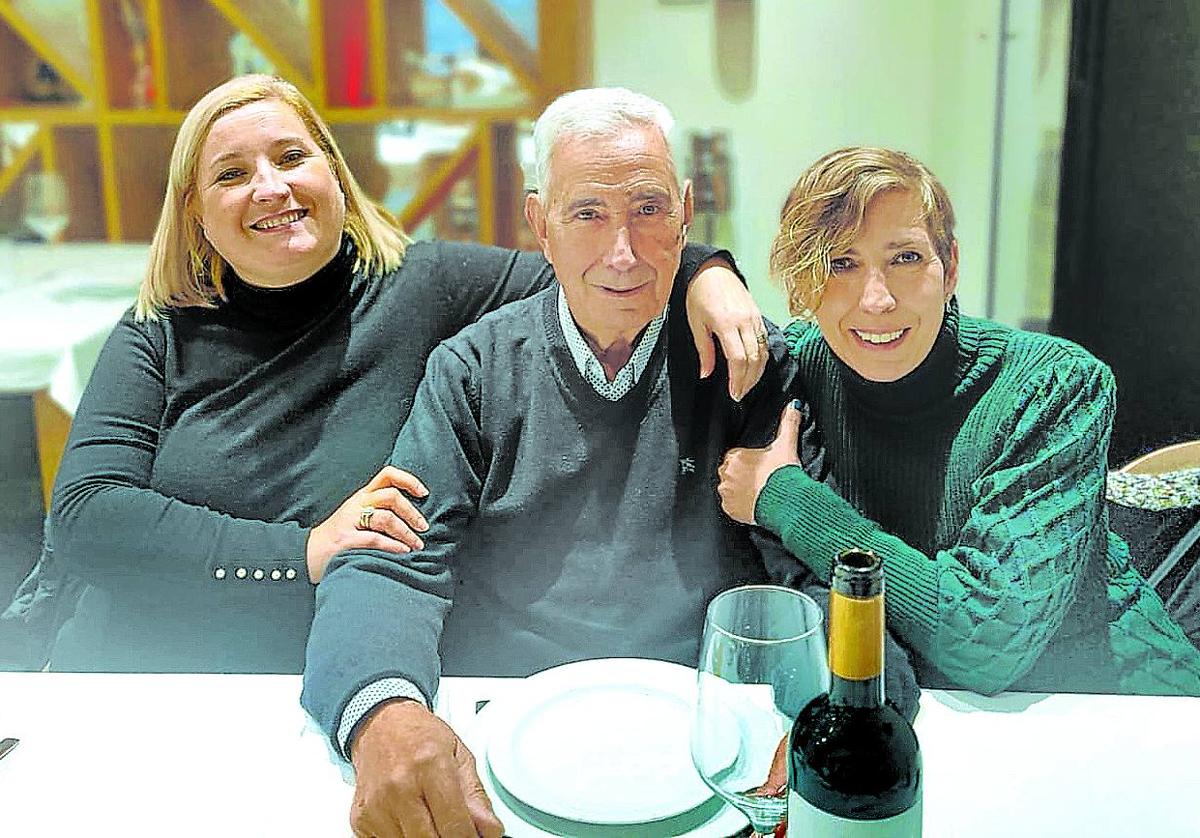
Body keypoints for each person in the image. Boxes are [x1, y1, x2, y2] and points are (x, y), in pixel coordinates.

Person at [0, 74, 769, 674]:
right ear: (196, 212)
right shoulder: (158, 327)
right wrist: (302, 551)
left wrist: (708, 271)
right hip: (139, 667)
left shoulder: (422, 284)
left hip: (317, 667)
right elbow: (87, 518)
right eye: (232, 174)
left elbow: (594, 260)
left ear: (335, 174)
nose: (271, 187)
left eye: (292, 157)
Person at [300, 88, 876, 838]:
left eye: (648, 210)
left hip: (711, 737)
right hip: (508, 732)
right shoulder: (473, 372)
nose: (623, 253)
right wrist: (383, 713)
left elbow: (818, 572)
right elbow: (390, 560)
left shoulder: (747, 364)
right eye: (588, 214)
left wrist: (834, 717)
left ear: (686, 212)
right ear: (541, 225)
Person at [718, 146, 1200, 697]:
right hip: (938, 712)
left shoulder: (1054, 384)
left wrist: (787, 498)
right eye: (840, 264)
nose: (876, 300)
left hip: (1111, 702)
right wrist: (708, 270)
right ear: (803, 283)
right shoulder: (793, 371)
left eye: (904, 258)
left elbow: (987, 642)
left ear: (949, 266)